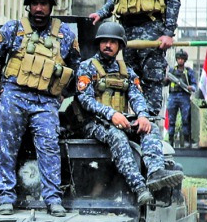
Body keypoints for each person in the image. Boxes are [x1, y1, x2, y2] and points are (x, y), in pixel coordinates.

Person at [0, 0, 79, 215]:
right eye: (34, 3)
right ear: (28, 6)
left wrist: (62, 94)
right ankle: (6, 195)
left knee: (49, 146)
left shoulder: (65, 34)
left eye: (44, 4)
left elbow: (76, 70)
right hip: (14, 94)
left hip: (45, 100)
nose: (39, 9)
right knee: (5, 143)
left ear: (51, 7)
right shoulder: (13, 29)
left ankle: (53, 198)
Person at [74, 22, 181, 207]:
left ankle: (155, 172)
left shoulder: (127, 72)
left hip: (121, 120)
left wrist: (142, 115)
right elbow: (85, 100)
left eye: (113, 42)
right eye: (104, 41)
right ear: (98, 43)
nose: (108, 45)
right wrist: (111, 114)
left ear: (120, 46)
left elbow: (136, 96)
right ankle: (139, 188)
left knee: (150, 129)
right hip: (94, 124)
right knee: (117, 137)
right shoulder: (87, 67)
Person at [165, 49, 194, 147]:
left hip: (184, 97)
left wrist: (191, 87)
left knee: (185, 119)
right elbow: (164, 83)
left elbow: (194, 85)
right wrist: (166, 79)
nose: (180, 60)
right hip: (173, 96)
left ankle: (186, 140)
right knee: (171, 120)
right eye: (178, 58)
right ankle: (170, 140)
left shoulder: (188, 72)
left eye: (182, 59)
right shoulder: (172, 71)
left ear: (185, 60)